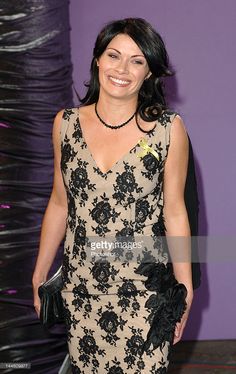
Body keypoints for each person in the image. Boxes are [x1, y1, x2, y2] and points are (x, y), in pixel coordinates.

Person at [32, 17, 194, 373]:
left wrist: (184, 287)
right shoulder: (66, 125)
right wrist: (40, 271)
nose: (123, 68)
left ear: (149, 72)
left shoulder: (168, 130)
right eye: (114, 55)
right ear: (98, 60)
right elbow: (60, 203)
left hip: (145, 292)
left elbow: (175, 211)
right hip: (83, 288)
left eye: (137, 60)